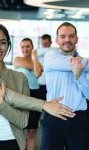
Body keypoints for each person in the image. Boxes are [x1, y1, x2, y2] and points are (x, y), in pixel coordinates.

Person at [0, 24, 75, 150]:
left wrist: (1, 103)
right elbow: (9, 95)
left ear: (8, 46)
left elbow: (22, 121)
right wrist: (44, 104)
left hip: (13, 143)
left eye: (3, 42)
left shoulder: (20, 78)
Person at [41, 22, 89, 150]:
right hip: (54, 115)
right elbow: (74, 64)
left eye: (71, 36)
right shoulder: (50, 56)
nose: (67, 40)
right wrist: (83, 67)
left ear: (77, 39)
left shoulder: (84, 64)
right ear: (57, 40)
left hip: (79, 118)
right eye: (62, 36)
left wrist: (79, 76)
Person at [14, 38, 42, 150]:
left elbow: (38, 73)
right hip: (22, 94)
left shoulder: (37, 62)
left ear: (32, 47)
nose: (25, 49)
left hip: (36, 95)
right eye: (23, 46)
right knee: (20, 130)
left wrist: (35, 57)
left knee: (32, 131)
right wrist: (36, 61)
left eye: (28, 46)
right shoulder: (18, 59)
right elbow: (38, 70)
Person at [38, 34, 52, 100]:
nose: (44, 46)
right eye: (43, 44)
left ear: (50, 42)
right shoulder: (38, 52)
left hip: (50, 84)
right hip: (40, 84)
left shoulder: (53, 52)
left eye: (46, 44)